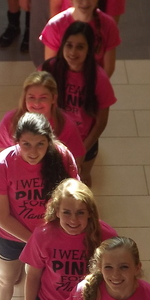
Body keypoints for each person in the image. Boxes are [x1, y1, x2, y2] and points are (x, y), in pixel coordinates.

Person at [0, 112, 79, 300]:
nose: (33, 151)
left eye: (40, 144)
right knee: (7, 279)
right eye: (26, 144)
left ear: (49, 141)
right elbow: (2, 215)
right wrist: (36, 241)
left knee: (39, 282)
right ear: (16, 141)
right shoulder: (2, 165)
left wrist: (52, 238)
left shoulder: (62, 157)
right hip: (11, 237)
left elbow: (74, 199)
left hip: (50, 238)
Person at [42, 21, 116, 186]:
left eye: (80, 47)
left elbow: (101, 122)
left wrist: (82, 150)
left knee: (81, 180)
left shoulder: (99, 78)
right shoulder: (50, 69)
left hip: (85, 141)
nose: (73, 52)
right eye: (69, 45)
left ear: (89, 49)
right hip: (52, 140)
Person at [0, 71, 84, 165]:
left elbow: (76, 160)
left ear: (53, 98)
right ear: (24, 98)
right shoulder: (11, 120)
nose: (36, 103)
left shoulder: (67, 125)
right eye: (31, 97)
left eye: (43, 98)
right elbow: (0, 157)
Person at [40, 0, 120, 77]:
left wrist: (95, 87)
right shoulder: (55, 25)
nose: (85, 2)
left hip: (94, 83)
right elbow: (51, 66)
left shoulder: (108, 25)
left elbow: (108, 68)